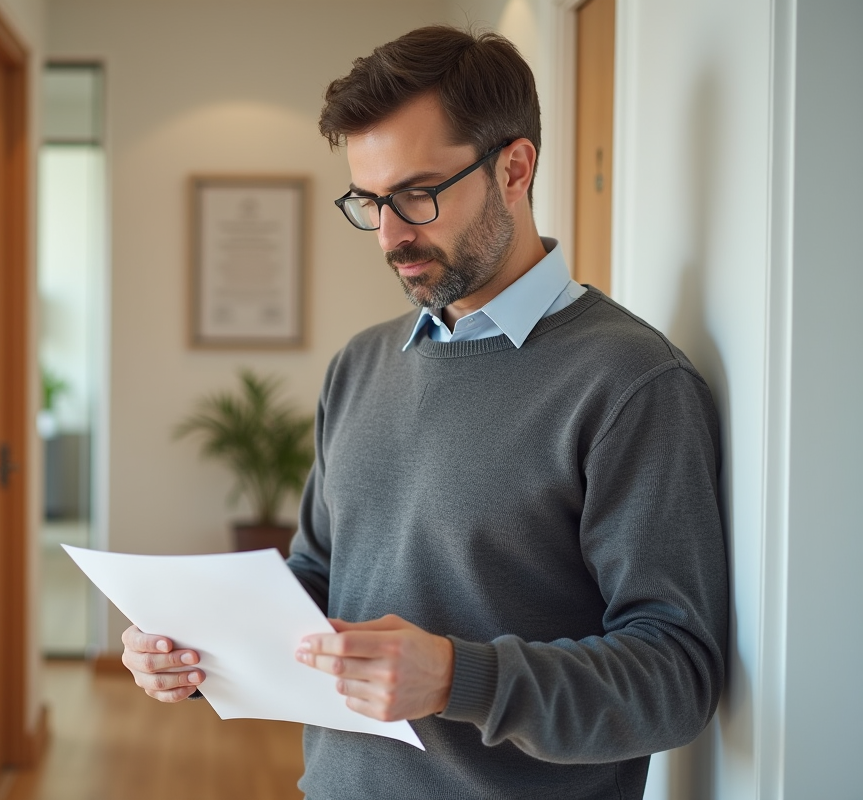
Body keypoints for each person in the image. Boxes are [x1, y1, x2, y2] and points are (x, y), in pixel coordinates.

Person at [122, 25, 727, 799]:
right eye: (369, 201)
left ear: (514, 168)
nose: (390, 235)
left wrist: (455, 676)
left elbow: (676, 675)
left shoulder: (631, 381)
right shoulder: (361, 365)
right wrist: (195, 647)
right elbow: (318, 578)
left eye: (417, 194)